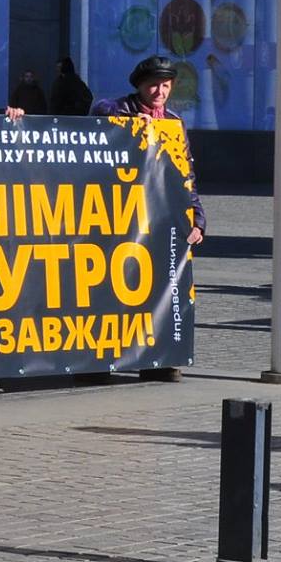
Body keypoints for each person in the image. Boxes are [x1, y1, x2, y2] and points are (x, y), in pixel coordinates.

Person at [110, 56, 207, 384]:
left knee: (167, 286)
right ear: (139, 85)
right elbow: (99, 113)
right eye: (153, 84)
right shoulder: (120, 110)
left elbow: (186, 171)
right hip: (123, 216)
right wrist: (130, 124)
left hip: (163, 217)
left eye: (166, 85)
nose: (160, 91)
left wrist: (197, 217)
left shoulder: (173, 122)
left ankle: (164, 357)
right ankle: (104, 357)